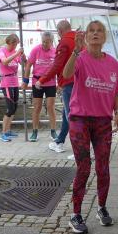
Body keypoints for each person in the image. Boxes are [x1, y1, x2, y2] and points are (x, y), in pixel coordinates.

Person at [62, 20, 118, 234]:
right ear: (86, 36)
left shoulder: (113, 63)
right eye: (91, 31)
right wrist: (75, 52)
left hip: (103, 121)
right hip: (80, 119)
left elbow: (115, 92)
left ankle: (102, 208)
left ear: (104, 37)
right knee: (84, 167)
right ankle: (76, 214)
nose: (95, 34)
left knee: (103, 167)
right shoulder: (80, 58)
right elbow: (66, 74)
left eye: (99, 31)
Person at [37, 20, 76, 154]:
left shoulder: (64, 42)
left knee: (71, 116)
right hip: (80, 82)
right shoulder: (80, 40)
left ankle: (80, 149)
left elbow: (57, 65)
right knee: (67, 113)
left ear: (59, 31)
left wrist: (42, 80)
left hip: (69, 82)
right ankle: (59, 141)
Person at [23, 31, 57, 142]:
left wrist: (60, 83)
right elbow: (28, 65)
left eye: (47, 42)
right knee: (37, 107)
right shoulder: (35, 50)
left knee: (50, 107)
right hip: (37, 82)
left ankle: (53, 131)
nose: (45, 44)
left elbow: (58, 67)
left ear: (51, 41)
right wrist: (25, 80)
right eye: (43, 42)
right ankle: (35, 131)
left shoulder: (55, 51)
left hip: (50, 82)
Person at [0, 34, 24, 142]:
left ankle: (8, 130)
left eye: (17, 44)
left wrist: (23, 57)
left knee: (15, 107)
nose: (15, 46)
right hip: (6, 82)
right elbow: (4, 61)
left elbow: (23, 63)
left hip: (15, 81)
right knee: (10, 108)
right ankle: (3, 133)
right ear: (10, 42)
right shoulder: (2, 51)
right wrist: (16, 53)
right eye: (14, 44)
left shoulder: (15, 52)